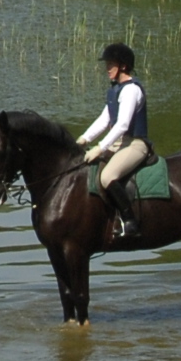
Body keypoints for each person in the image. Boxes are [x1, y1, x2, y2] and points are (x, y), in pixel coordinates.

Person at [76, 42, 153, 240]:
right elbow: (104, 120)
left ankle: (130, 221)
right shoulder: (116, 90)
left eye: (111, 64)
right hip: (119, 144)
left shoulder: (131, 90)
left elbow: (122, 125)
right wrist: (84, 139)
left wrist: (100, 148)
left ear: (123, 66)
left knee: (107, 176)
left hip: (135, 144)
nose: (107, 68)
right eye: (107, 64)